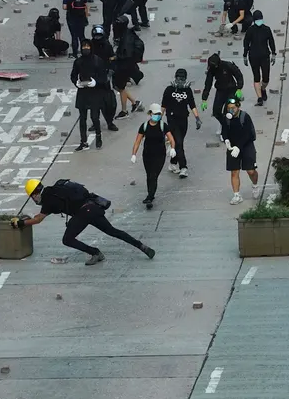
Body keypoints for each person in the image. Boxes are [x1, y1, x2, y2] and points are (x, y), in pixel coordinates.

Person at [16, 178, 156, 265]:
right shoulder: (55, 189)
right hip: (93, 207)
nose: (34, 200)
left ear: (34, 194)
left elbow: (39, 219)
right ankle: (142, 246)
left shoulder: (47, 199)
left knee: (67, 240)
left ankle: (95, 253)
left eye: (32, 197)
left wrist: (21, 223)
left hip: (83, 213)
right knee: (113, 231)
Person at [131, 103, 178, 209]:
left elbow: (171, 138)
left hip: (159, 155)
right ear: (150, 113)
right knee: (149, 175)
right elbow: (137, 141)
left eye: (159, 114)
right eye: (155, 113)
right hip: (147, 155)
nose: (157, 116)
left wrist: (173, 148)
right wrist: (134, 154)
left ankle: (150, 196)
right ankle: (150, 193)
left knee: (154, 175)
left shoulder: (163, 126)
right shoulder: (144, 126)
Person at [161, 68, 202, 177]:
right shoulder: (169, 90)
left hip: (183, 119)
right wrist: (159, 120)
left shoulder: (187, 90)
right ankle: (183, 167)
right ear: (175, 77)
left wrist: (197, 118)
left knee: (178, 142)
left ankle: (173, 163)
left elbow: (192, 105)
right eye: (178, 78)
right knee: (179, 143)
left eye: (182, 78)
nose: (180, 81)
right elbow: (163, 106)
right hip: (172, 119)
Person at [222, 96, 261, 204]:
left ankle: (255, 185)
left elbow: (247, 134)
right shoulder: (226, 118)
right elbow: (224, 130)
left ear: (238, 107)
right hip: (232, 146)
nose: (231, 110)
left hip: (246, 145)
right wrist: (226, 140)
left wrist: (239, 147)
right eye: (229, 108)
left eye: (233, 108)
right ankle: (236, 195)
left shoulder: (245, 117)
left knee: (250, 171)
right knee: (234, 172)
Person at [201, 52, 244, 137]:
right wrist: (204, 99)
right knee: (216, 111)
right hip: (220, 90)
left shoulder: (227, 65)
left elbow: (239, 75)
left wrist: (239, 88)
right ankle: (225, 124)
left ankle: (225, 132)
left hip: (232, 90)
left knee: (227, 111)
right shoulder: (211, 69)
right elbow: (208, 83)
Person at [242, 10, 276, 103]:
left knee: (266, 77)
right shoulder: (250, 30)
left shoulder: (267, 29)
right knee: (256, 76)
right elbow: (246, 43)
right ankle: (259, 98)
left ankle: (263, 88)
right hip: (253, 56)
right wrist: (245, 55)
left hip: (265, 56)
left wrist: (273, 53)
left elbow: (271, 42)